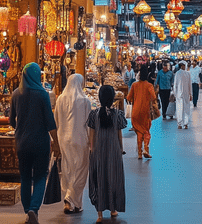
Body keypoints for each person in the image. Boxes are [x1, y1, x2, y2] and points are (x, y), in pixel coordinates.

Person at [10, 63, 61, 224]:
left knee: (25, 177)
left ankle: (27, 212)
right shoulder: (42, 94)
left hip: (22, 143)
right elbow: (50, 122)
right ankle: (33, 209)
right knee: (40, 177)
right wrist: (57, 144)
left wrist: (22, 128)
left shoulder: (16, 94)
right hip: (40, 143)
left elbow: (12, 121)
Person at [88, 86, 127, 222]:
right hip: (113, 150)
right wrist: (121, 148)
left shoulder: (94, 114)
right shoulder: (117, 114)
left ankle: (99, 213)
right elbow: (119, 134)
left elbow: (91, 135)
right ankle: (113, 209)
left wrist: (92, 150)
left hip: (98, 151)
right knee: (113, 178)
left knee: (99, 178)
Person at [54, 74, 91, 214]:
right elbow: (89, 124)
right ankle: (70, 199)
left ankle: (73, 202)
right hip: (80, 139)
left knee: (68, 168)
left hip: (64, 139)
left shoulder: (60, 99)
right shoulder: (85, 101)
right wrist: (91, 141)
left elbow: (56, 120)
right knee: (81, 169)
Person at [126, 71, 157, 159]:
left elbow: (128, 98)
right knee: (146, 131)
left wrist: (136, 100)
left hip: (135, 112)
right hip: (145, 112)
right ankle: (146, 149)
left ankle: (140, 153)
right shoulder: (149, 85)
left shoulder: (134, 85)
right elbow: (154, 97)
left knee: (139, 131)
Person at [172, 61, 193, 129]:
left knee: (179, 108)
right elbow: (190, 85)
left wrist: (175, 94)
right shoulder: (188, 74)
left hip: (179, 94)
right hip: (186, 94)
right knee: (186, 109)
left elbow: (175, 85)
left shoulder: (177, 73)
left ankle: (179, 124)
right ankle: (186, 123)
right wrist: (190, 94)